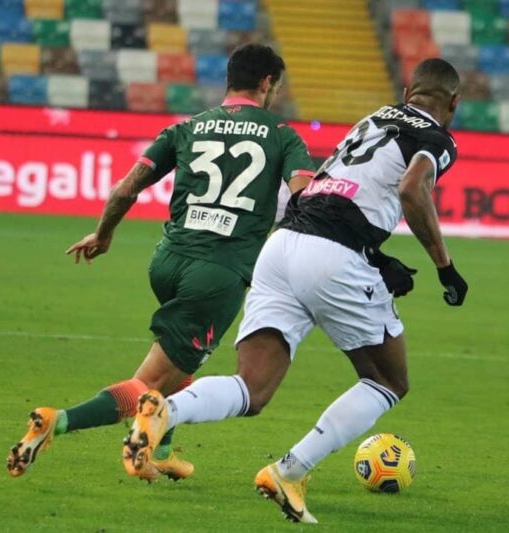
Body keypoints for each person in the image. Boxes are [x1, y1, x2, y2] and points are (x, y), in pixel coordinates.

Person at [121, 58, 468, 523]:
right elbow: (412, 188)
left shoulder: (373, 120)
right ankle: (289, 471)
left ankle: (165, 410)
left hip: (283, 246)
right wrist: (445, 267)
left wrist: (374, 255)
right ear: (453, 103)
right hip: (333, 256)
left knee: (252, 387)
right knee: (388, 381)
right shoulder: (438, 138)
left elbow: (336, 192)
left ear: (408, 93)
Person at [6, 43, 315, 480]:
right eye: (276, 87)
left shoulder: (187, 128)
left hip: (167, 262)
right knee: (149, 385)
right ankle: (56, 422)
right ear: (266, 83)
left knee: (183, 357)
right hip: (218, 272)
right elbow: (304, 197)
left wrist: (103, 234)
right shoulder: (282, 135)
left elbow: (124, 190)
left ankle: (163, 451)